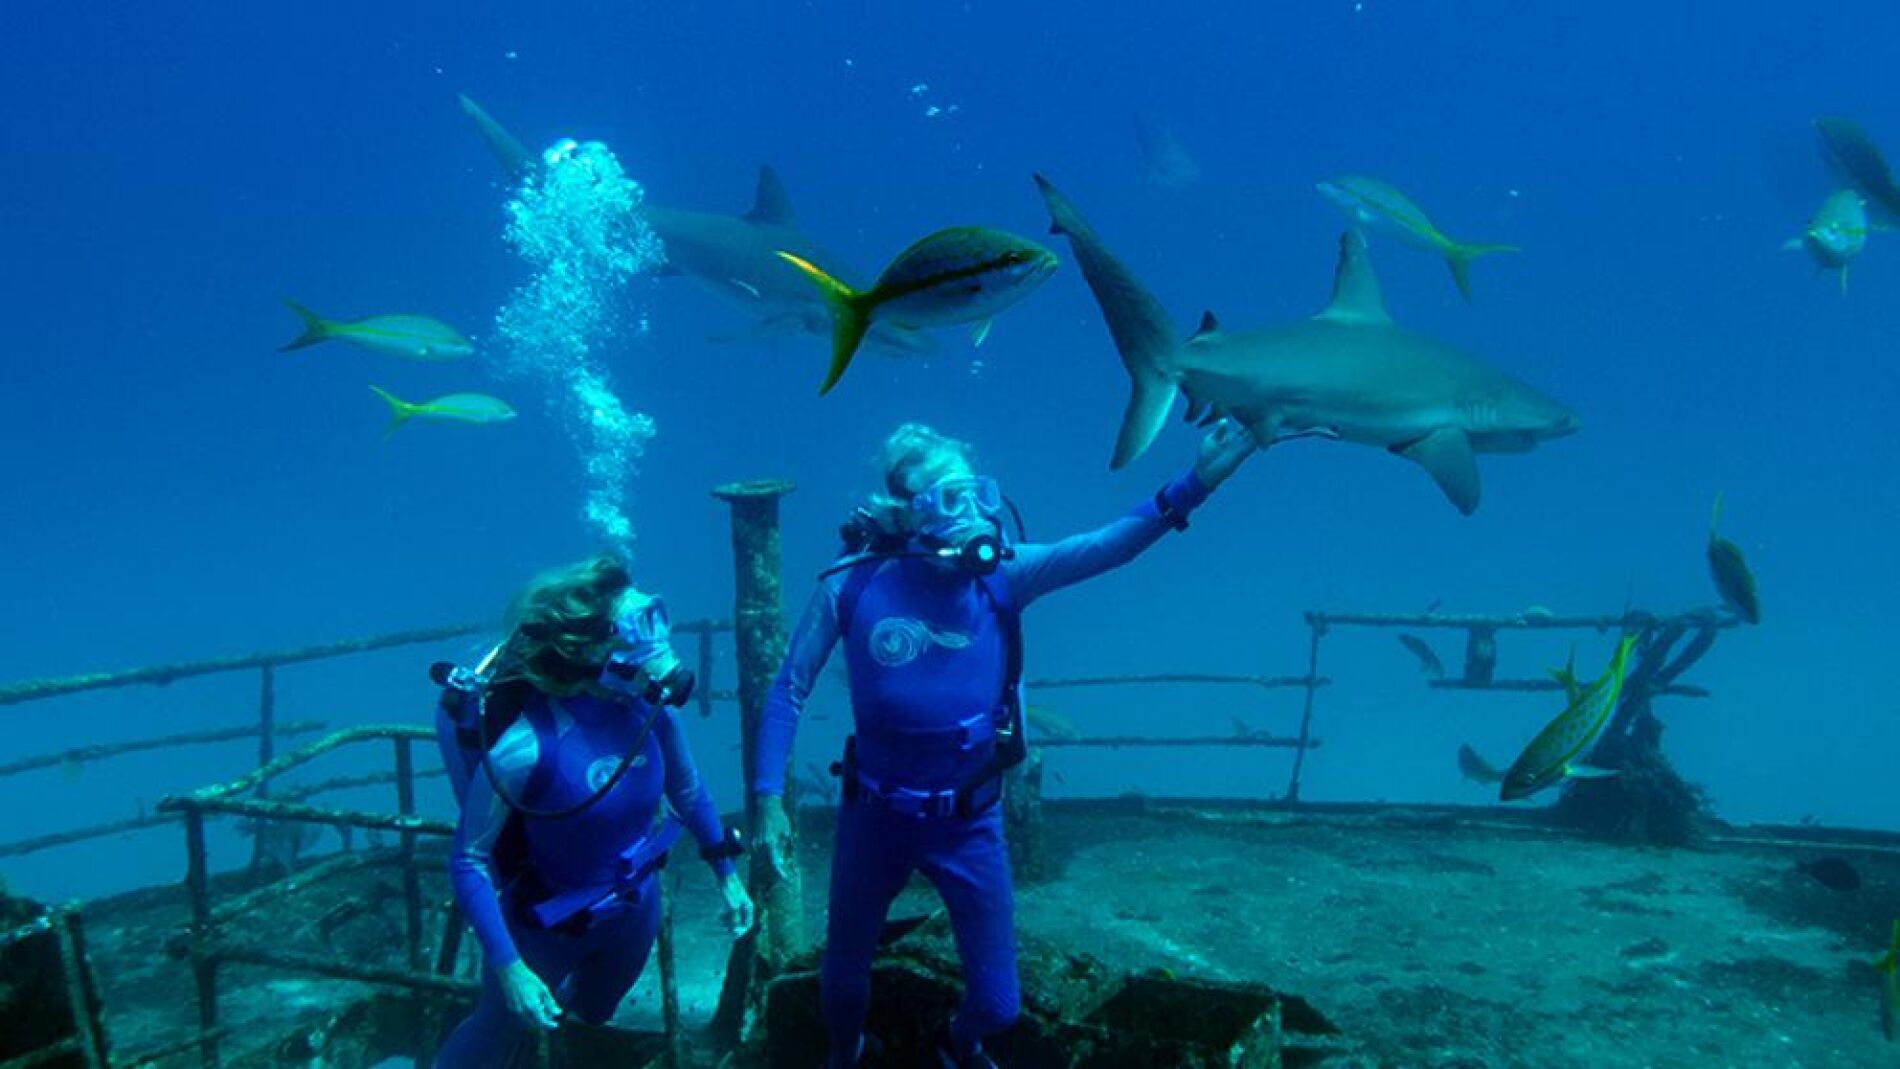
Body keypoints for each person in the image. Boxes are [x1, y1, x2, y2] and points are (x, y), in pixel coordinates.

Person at [752, 420, 1257, 1068]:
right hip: (874, 816)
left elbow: (1106, 546)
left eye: (976, 493)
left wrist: (1197, 481)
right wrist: (768, 802)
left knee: (999, 1007)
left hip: (969, 821)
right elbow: (788, 690)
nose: (972, 514)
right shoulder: (851, 583)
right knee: (844, 984)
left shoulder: (1004, 576)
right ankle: (846, 1053)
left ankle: (953, 1043)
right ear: (906, 514)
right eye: (946, 498)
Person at [432, 555, 754, 1068]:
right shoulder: (525, 749)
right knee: (498, 1027)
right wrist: (510, 965)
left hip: (634, 908)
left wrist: (728, 875)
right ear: (587, 651)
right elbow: (468, 858)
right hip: (546, 923)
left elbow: (689, 791)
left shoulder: (652, 713)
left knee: (596, 1010)